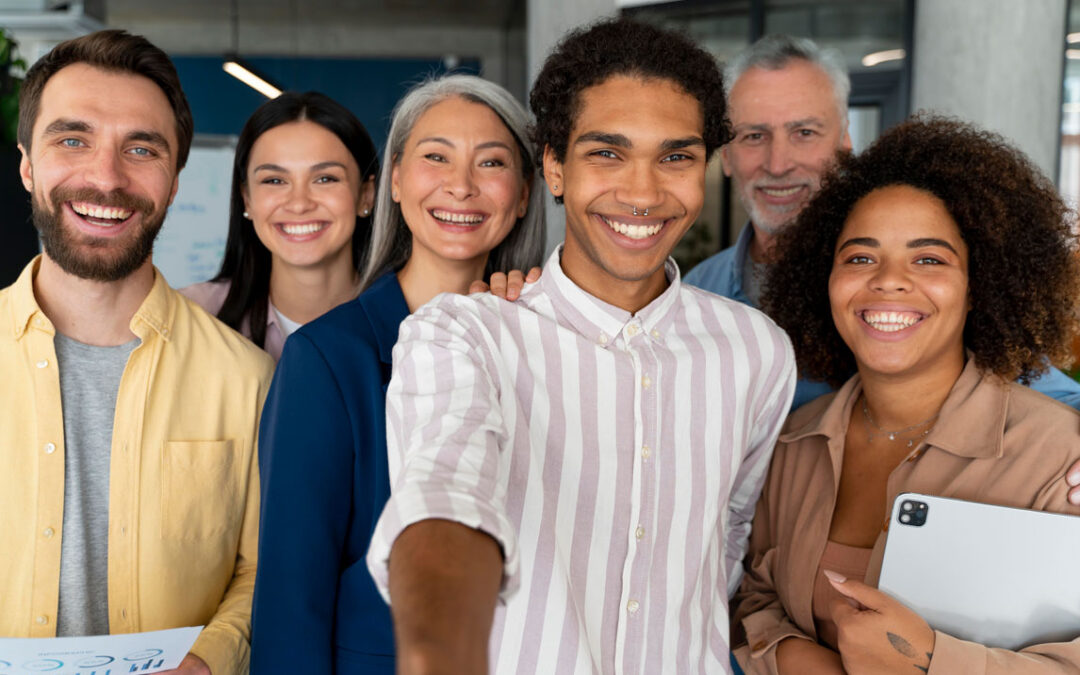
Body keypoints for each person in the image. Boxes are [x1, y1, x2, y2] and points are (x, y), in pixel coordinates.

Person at [367, 19, 796, 674]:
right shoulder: (466, 334)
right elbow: (443, 495)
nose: (643, 192)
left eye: (675, 157)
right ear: (554, 167)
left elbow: (727, 539)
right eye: (607, 153)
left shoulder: (755, 352)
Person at [731, 116, 1080, 674]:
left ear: (978, 287)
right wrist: (794, 656)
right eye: (861, 257)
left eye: (929, 259)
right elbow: (756, 599)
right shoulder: (790, 442)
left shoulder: (1059, 458)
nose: (889, 280)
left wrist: (929, 658)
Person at [249, 74, 545, 674]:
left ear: (522, 195)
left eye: (491, 162)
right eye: (436, 157)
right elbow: (291, 601)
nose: (461, 186)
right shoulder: (327, 359)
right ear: (396, 182)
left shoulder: (543, 343)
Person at [0, 30, 273, 675]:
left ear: (175, 179)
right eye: (73, 139)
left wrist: (210, 657)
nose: (106, 176)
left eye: (141, 148)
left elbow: (262, 569)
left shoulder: (247, 379)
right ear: (26, 164)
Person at [683, 34, 1080, 413]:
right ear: (727, 156)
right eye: (754, 136)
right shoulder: (694, 295)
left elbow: (1059, 402)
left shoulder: (924, 290)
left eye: (805, 132)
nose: (779, 163)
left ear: (844, 142)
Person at [181, 91, 377, 361]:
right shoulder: (192, 318)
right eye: (274, 181)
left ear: (366, 194)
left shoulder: (408, 323)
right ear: (247, 199)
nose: (299, 204)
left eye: (325, 179)